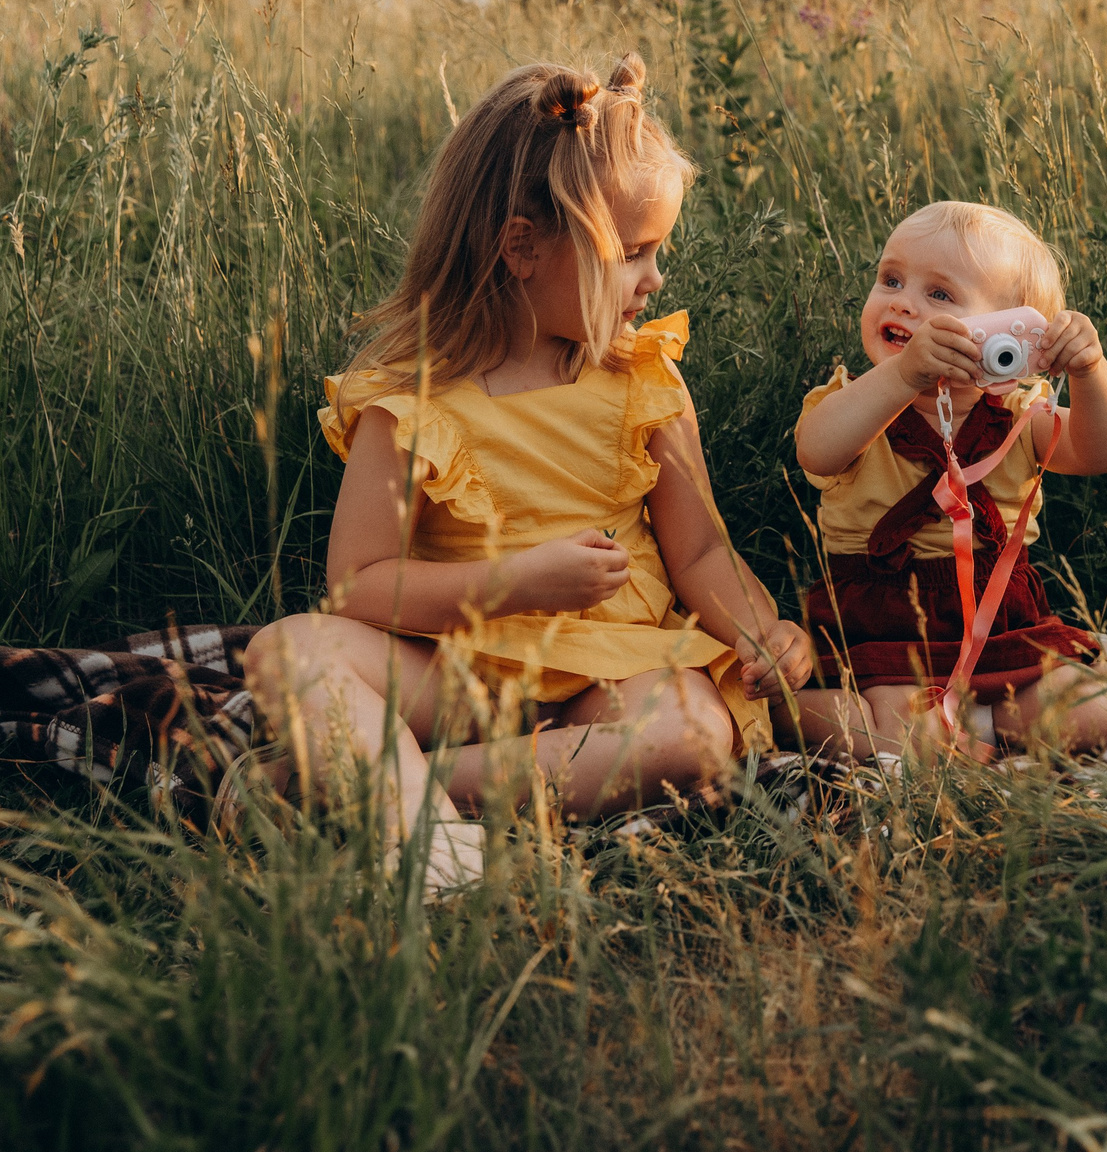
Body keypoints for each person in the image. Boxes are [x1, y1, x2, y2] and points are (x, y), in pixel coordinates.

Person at [244, 53, 814, 891]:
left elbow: (699, 552)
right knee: (285, 649)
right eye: (633, 253)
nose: (655, 278)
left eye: (657, 251)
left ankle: (392, 791)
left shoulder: (644, 380)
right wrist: (518, 583)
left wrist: (762, 628)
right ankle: (430, 834)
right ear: (523, 247)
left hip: (611, 672)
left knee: (693, 732)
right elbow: (357, 585)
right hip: (460, 673)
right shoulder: (412, 403)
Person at [790, 200, 1107, 761]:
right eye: (890, 279)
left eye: (939, 294)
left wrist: (1090, 370)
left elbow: (1101, 451)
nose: (902, 302)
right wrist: (904, 375)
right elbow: (818, 451)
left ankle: (983, 725)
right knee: (885, 729)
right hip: (887, 633)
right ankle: (938, 731)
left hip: (1002, 634)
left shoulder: (1020, 416)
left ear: (1010, 336)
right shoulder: (855, 405)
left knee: (1106, 702)